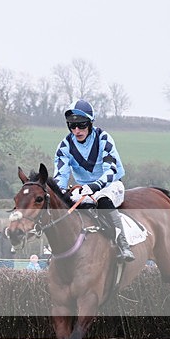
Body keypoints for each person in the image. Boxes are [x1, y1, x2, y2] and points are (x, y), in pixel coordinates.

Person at [54, 99, 134, 262]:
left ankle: (122, 244)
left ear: (90, 123)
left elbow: (111, 170)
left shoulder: (104, 138)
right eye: (72, 126)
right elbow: (60, 174)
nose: (77, 130)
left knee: (103, 200)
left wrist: (95, 186)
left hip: (110, 185)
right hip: (83, 189)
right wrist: (60, 191)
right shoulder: (64, 145)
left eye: (82, 125)